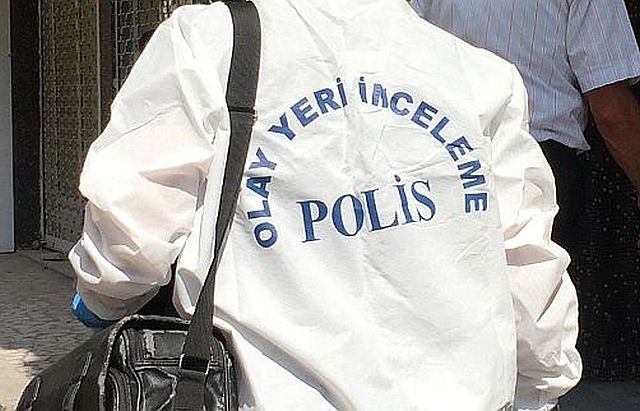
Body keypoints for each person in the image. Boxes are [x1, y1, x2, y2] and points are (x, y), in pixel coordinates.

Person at [68, 0, 580, 409]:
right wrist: (540, 386)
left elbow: (131, 233)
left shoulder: (207, 45)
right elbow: (527, 268)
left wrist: (101, 298)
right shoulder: (476, 73)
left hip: (270, 394)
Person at [409, 0, 640, 247]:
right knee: (536, 271)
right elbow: (611, 112)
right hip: (537, 172)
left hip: (447, 159)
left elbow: (407, 50)